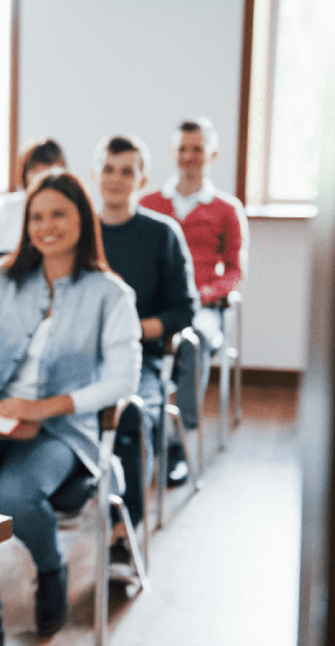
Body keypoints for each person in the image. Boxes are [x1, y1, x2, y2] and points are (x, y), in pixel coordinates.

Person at [0, 169, 142, 646]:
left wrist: (43, 408)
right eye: (37, 216)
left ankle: (50, 568)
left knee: (14, 494)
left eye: (59, 214)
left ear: (83, 220)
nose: (46, 225)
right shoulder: (7, 278)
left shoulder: (110, 293)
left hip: (60, 427)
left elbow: (123, 381)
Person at [93, 134, 199, 532]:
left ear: (142, 178)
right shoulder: (76, 231)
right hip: (79, 358)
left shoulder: (162, 233)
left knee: (132, 416)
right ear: (95, 173)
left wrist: (129, 330)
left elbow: (184, 310)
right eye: (108, 169)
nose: (116, 179)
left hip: (139, 358)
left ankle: (124, 532)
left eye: (126, 171)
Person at [139, 117, 249, 432]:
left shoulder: (227, 209)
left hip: (202, 307)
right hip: (157, 306)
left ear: (212, 154)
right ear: (172, 153)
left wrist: (207, 293)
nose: (189, 156)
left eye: (197, 149)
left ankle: (179, 438)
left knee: (193, 339)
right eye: (182, 149)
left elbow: (236, 270)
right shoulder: (149, 204)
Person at [0, 138, 68, 254]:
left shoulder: (69, 206)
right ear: (24, 172)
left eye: (47, 168)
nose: (41, 176)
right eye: (35, 169)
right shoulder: (8, 207)